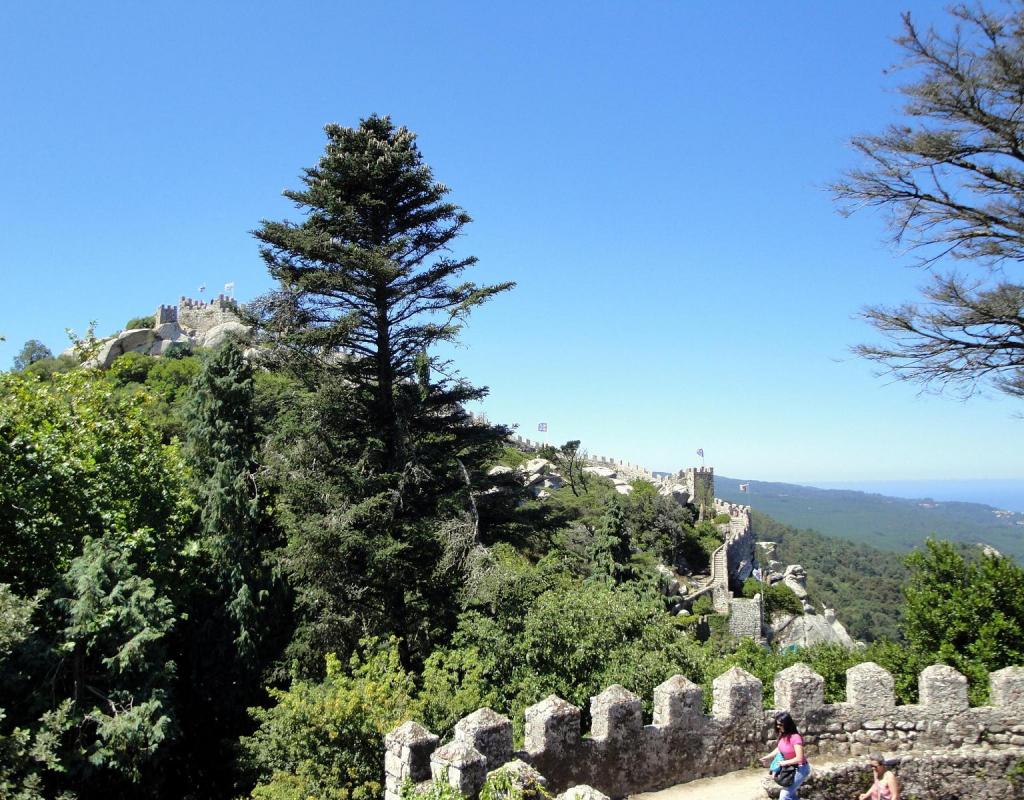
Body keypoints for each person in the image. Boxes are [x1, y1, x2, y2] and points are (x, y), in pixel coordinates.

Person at [759, 711, 811, 799]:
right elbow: (780, 748)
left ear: (787, 724)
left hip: (800, 769)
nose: (778, 727)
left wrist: (784, 763)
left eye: (780, 725)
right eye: (777, 725)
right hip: (790, 768)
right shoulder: (783, 736)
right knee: (791, 795)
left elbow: (799, 758)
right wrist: (767, 757)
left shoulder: (795, 737)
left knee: (785, 795)